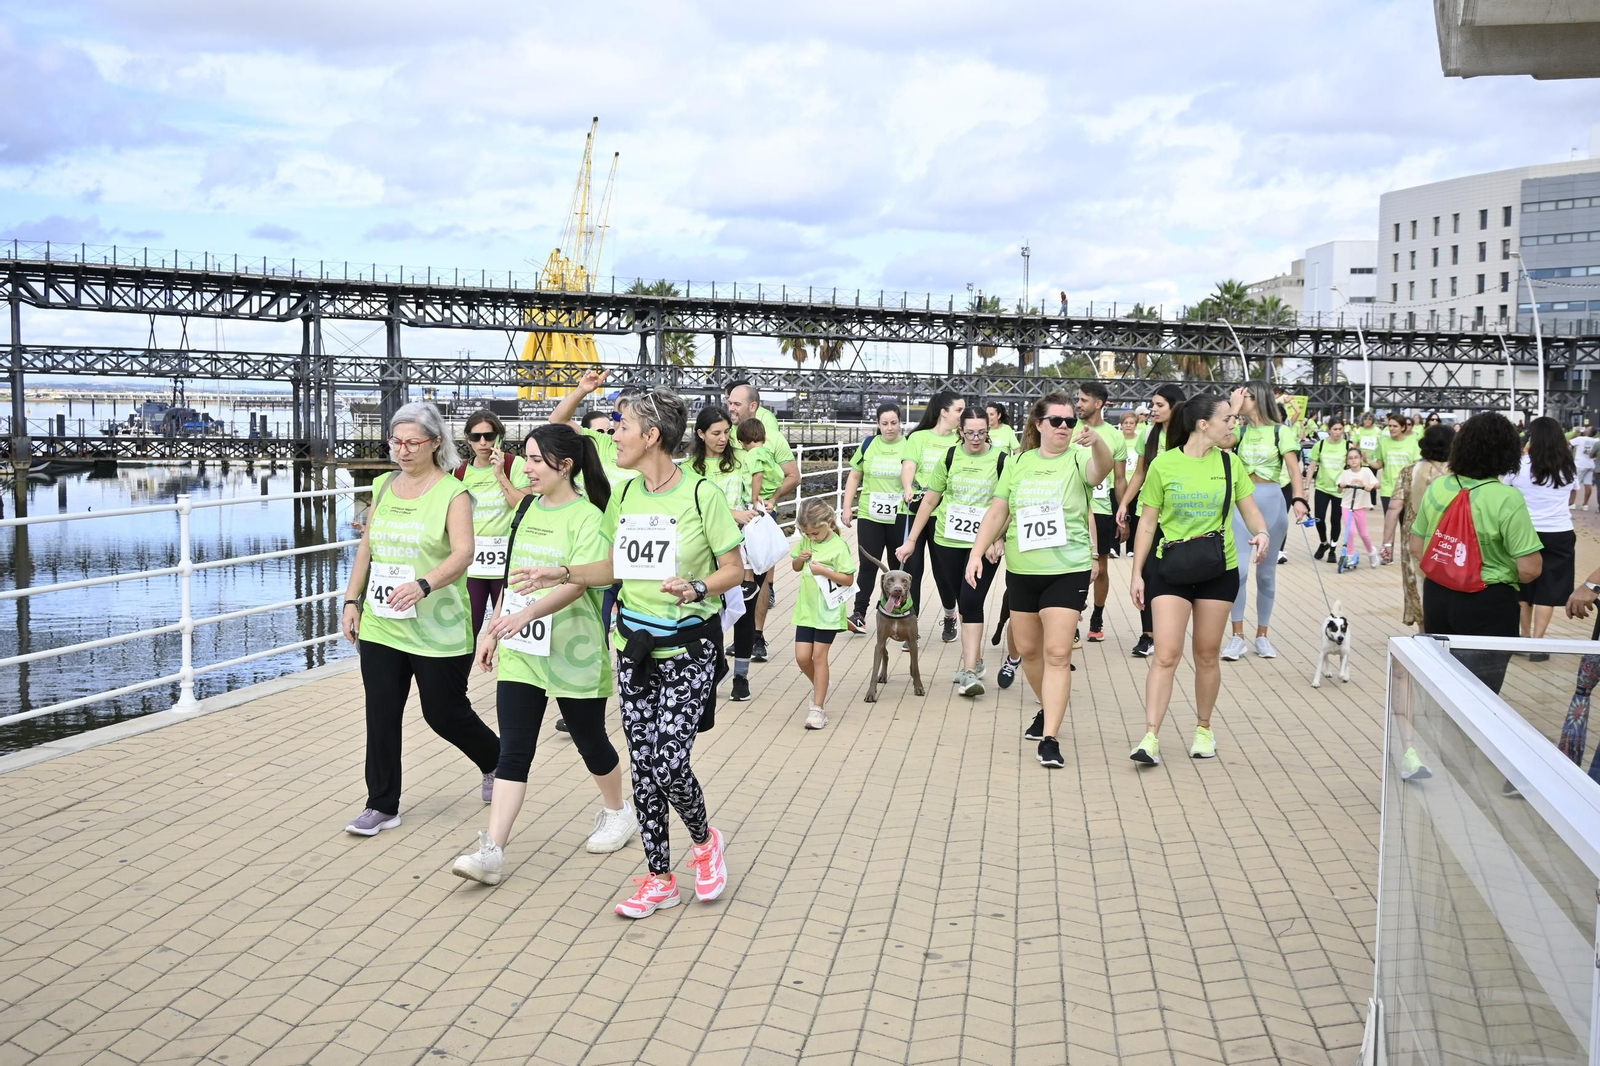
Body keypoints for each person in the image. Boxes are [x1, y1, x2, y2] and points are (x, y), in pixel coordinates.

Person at [453, 424, 634, 884]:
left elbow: (579, 584)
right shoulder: (526, 507)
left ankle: (618, 810)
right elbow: (513, 577)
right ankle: (492, 852)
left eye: (535, 460)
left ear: (565, 465)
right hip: (522, 650)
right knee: (514, 750)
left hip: (573, 649)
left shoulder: (589, 517)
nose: (527, 468)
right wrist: (495, 628)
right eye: (527, 458)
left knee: (590, 740)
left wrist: (526, 613)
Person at [605, 388, 743, 919]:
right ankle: (659, 878)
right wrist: (562, 573)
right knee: (643, 767)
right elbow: (613, 566)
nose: (614, 435)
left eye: (622, 426)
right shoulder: (624, 494)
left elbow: (734, 570)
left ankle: (705, 842)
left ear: (651, 436)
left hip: (688, 650)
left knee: (667, 763)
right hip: (633, 649)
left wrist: (697, 587)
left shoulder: (701, 496)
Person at [339, 402, 501, 837]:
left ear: (434, 443)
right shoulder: (383, 486)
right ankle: (381, 805)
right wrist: (352, 600)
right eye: (397, 441)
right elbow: (367, 548)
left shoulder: (453, 493)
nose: (403, 450)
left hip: (438, 624)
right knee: (381, 712)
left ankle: (495, 759)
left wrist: (424, 584)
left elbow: (464, 553)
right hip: (383, 621)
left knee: (444, 713)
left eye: (413, 442)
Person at [966, 391, 1112, 770]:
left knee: (1058, 654)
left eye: (1070, 421)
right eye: (1056, 421)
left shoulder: (1079, 458)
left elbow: (1102, 470)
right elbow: (998, 511)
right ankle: (1048, 708)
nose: (1064, 427)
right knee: (1029, 651)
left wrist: (1097, 443)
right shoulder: (1018, 462)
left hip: (1067, 569)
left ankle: (1050, 738)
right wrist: (977, 552)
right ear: (1039, 424)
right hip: (1023, 570)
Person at [1128, 395, 1271, 766]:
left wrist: (1262, 533)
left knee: (1207, 654)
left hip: (1217, 570)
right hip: (1169, 569)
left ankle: (1204, 728)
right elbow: (1147, 523)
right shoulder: (1164, 465)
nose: (1233, 424)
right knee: (1166, 653)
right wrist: (1137, 573)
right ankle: (1150, 737)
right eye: (1227, 418)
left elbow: (1250, 510)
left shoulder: (1230, 463)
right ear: (1203, 424)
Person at [1408, 412, 1543, 695]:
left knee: (1443, 687)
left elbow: (1416, 547)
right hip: (1488, 602)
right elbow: (1530, 569)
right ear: (1507, 452)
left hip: (1438, 596)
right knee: (1480, 694)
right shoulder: (1507, 498)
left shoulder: (1439, 486)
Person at [897, 406, 1007, 696]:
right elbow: (929, 501)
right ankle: (975, 661)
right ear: (960, 431)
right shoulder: (949, 457)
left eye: (981, 433)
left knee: (971, 600)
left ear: (988, 431)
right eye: (970, 433)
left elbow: (1008, 505)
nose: (976, 438)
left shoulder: (1001, 460)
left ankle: (969, 672)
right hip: (948, 540)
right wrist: (911, 540)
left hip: (983, 544)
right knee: (963, 600)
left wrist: (999, 538)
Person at [1221, 382, 1308, 662]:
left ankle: (1262, 635)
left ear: (1257, 398)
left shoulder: (1281, 431)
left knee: (1266, 574)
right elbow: (1221, 440)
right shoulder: (1240, 430)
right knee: (1239, 572)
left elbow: (1294, 469)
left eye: (1243, 395)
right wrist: (1233, 410)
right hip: (1241, 503)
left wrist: (1299, 499)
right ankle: (1237, 636)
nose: (1238, 398)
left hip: (1272, 502)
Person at [690, 406, 765, 701]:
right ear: (700, 434)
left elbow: (756, 495)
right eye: (716, 433)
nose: (723, 439)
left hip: (741, 549)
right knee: (711, 614)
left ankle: (741, 676)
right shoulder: (688, 469)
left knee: (744, 613)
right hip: (704, 552)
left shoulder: (742, 460)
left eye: (726, 432)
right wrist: (732, 513)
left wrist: (760, 505)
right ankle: (717, 666)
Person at [727, 381, 799, 656]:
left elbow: (793, 475)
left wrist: (772, 498)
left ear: (753, 406)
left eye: (737, 404)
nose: (731, 408)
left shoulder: (773, 438)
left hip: (759, 513)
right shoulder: (724, 435)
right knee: (734, 576)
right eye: (729, 403)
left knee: (760, 577)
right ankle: (738, 637)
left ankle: (756, 637)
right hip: (730, 514)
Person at [1114, 384, 1186, 659]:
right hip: (1150, 512)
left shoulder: (1190, 434)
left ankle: (1170, 630)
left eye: (1159, 405)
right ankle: (1148, 634)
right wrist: (1125, 503)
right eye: (1152, 404)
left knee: (1176, 573)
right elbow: (1139, 473)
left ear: (1176, 407)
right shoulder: (1148, 434)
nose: (1153, 409)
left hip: (1180, 516)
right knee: (1147, 572)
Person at [455, 410, 532, 635]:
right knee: (469, 627)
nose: (483, 442)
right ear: (468, 439)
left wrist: (500, 475)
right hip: (473, 563)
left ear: (499, 437)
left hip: (508, 561)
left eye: (489, 436)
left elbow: (524, 507)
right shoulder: (458, 471)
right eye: (476, 436)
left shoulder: (514, 464)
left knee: (509, 627)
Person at [899, 390, 966, 639]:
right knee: (912, 570)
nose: (962, 415)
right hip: (916, 508)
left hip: (944, 513)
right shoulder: (919, 437)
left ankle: (950, 616)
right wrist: (908, 487)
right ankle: (911, 625)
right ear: (943, 412)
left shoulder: (960, 442)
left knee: (944, 572)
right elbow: (909, 466)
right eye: (959, 410)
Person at [1510, 416, 1577, 658]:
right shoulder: (1568, 466)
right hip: (1559, 531)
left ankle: (1524, 637)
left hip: (1525, 532)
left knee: (1523, 586)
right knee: (1549, 588)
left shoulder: (1520, 465)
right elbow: (1571, 498)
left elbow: (1508, 492)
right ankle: (1538, 642)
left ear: (1533, 437)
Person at [843, 403, 913, 634]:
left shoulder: (909, 445)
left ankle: (900, 613)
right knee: (868, 565)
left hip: (899, 515)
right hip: (869, 514)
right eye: (885, 423)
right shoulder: (869, 444)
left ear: (900, 422)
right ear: (878, 424)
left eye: (894, 423)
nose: (889, 428)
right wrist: (846, 507)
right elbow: (855, 476)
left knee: (897, 568)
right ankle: (859, 614)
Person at [790, 499, 857, 729]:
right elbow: (795, 567)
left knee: (819, 656)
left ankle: (817, 709)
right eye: (807, 533)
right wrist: (800, 559)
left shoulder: (838, 546)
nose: (812, 537)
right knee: (802, 657)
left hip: (828, 611)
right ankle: (821, 684)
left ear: (828, 522)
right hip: (806, 609)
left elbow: (848, 579)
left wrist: (824, 571)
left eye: (815, 533)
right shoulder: (807, 540)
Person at [1380, 424, 1453, 631]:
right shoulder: (1459, 473)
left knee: (1418, 586)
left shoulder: (1409, 471)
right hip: (1450, 539)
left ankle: (1424, 633)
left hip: (1414, 540)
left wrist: (1387, 543)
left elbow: (1394, 508)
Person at [1075, 382, 1128, 644]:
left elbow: (1119, 479)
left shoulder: (1115, 436)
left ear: (1098, 404)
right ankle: (1071, 617)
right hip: (1073, 509)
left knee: (1102, 569)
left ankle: (1097, 617)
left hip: (1102, 510)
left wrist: (1124, 515)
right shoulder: (1068, 429)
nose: (1078, 404)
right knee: (1073, 567)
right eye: (1078, 399)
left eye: (1084, 400)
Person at [1372, 414, 1420, 548]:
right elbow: (1379, 464)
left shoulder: (1413, 443)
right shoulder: (1384, 443)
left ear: (1403, 427)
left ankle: (1406, 553)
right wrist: (1366, 461)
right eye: (1390, 426)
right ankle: (1388, 553)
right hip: (1388, 489)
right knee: (1389, 523)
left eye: (1395, 426)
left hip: (1407, 489)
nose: (1392, 429)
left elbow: (1417, 466)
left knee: (1406, 524)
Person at [1305, 418, 1348, 561]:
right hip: (1322, 487)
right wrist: (1306, 487)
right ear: (1329, 430)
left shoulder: (1347, 446)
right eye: (1335, 429)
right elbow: (1311, 467)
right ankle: (1324, 543)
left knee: (1335, 520)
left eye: (1340, 429)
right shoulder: (1321, 445)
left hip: (1339, 490)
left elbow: (1353, 467)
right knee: (1319, 518)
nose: (1337, 432)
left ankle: (1333, 550)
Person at [1336, 447, 1379, 566]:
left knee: (1364, 534)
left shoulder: (1366, 471)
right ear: (1347, 461)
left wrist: (1370, 486)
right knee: (1350, 531)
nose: (1353, 460)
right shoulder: (1345, 473)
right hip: (1347, 506)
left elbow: (1377, 484)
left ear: (1360, 459)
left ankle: (1371, 552)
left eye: (1356, 457)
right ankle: (1350, 555)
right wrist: (1341, 485)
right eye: (1350, 458)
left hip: (1360, 506)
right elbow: (1339, 490)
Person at [1117, 411, 1143, 556]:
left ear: (1136, 425)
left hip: (1135, 483)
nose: (1128, 426)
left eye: (1131, 423)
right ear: (1121, 425)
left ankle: (1131, 548)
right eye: (1125, 423)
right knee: (1118, 513)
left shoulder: (1140, 440)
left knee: (1133, 515)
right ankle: (1114, 546)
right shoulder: (1117, 439)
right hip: (1119, 482)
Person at [1355, 412, 1382, 509]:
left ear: (1373, 420)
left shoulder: (1377, 431)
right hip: (1361, 461)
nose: (1367, 421)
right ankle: (1360, 502)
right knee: (1360, 481)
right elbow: (1355, 445)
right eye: (1365, 419)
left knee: (1372, 481)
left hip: (1373, 460)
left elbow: (1381, 444)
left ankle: (1372, 502)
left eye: (1370, 419)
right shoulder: (1359, 431)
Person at [1572, 427, 1597, 511]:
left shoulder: (1580, 439)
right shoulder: (1595, 440)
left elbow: (1567, 442)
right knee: (1588, 483)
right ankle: (1585, 505)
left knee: (1574, 483)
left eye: (1587, 428)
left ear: (1588, 432)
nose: (1585, 429)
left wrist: (1575, 433)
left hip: (1580, 464)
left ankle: (1572, 503)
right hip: (1590, 464)